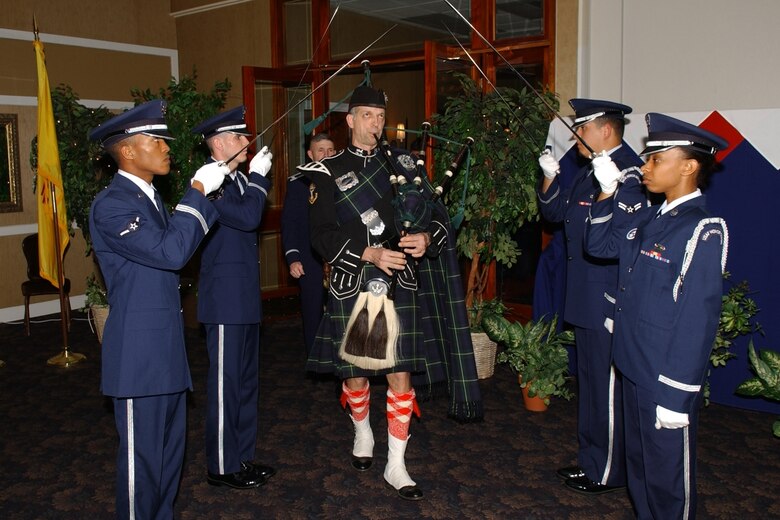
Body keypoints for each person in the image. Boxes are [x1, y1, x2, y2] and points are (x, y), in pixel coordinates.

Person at [302, 86, 482, 501]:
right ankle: (362, 430)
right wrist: (368, 252)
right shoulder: (326, 171)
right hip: (355, 281)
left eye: (380, 117)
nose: (375, 124)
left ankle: (396, 463)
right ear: (349, 121)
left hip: (400, 282)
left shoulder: (405, 164)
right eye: (366, 116)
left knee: (400, 373)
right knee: (356, 374)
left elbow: (438, 221)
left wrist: (426, 239)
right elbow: (321, 237)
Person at [88, 99, 229, 519]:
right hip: (138, 359)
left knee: (168, 464)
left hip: (165, 351)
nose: (167, 147)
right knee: (141, 468)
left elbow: (177, 248)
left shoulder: (147, 199)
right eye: (156, 140)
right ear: (128, 151)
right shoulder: (112, 204)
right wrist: (198, 192)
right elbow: (171, 253)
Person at [585, 113, 728, 519]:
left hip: (664, 377)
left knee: (669, 482)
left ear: (688, 166)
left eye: (655, 160)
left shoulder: (703, 228)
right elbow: (599, 244)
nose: (645, 167)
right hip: (632, 364)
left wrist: (678, 395)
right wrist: (607, 191)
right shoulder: (652, 218)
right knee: (641, 474)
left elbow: (698, 320)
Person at [537, 99, 647, 495]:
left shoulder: (630, 173)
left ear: (605, 130)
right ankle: (591, 460)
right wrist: (550, 179)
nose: (575, 137)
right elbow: (555, 216)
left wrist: (609, 187)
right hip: (583, 293)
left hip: (608, 296)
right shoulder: (590, 171)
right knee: (591, 385)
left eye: (582, 129)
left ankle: (607, 471)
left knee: (608, 390)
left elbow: (620, 243)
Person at [191, 106, 275, 490]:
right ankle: (221, 467)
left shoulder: (238, 181)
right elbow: (247, 218)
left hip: (243, 299)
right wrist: (259, 177)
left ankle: (241, 457)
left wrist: (253, 178)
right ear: (221, 143)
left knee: (245, 384)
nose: (247, 144)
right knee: (225, 388)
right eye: (241, 138)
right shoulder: (210, 183)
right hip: (224, 301)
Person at [281, 133, 335, 355]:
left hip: (340, 257)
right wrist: (293, 258)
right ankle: (316, 358)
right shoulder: (298, 183)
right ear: (311, 154)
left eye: (330, 150)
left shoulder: (346, 180)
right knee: (313, 310)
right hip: (310, 258)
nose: (326, 154)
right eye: (320, 150)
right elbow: (290, 223)